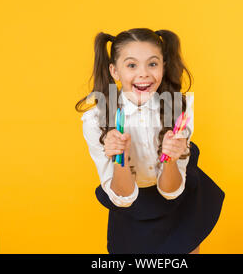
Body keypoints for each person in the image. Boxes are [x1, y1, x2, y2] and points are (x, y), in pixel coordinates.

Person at [75, 28, 225, 254]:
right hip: (131, 206)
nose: (144, 74)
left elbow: (171, 191)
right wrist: (120, 159)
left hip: (178, 201)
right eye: (132, 65)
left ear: (163, 66)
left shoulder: (178, 110)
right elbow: (123, 198)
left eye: (152, 64)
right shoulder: (97, 119)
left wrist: (171, 159)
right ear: (114, 70)